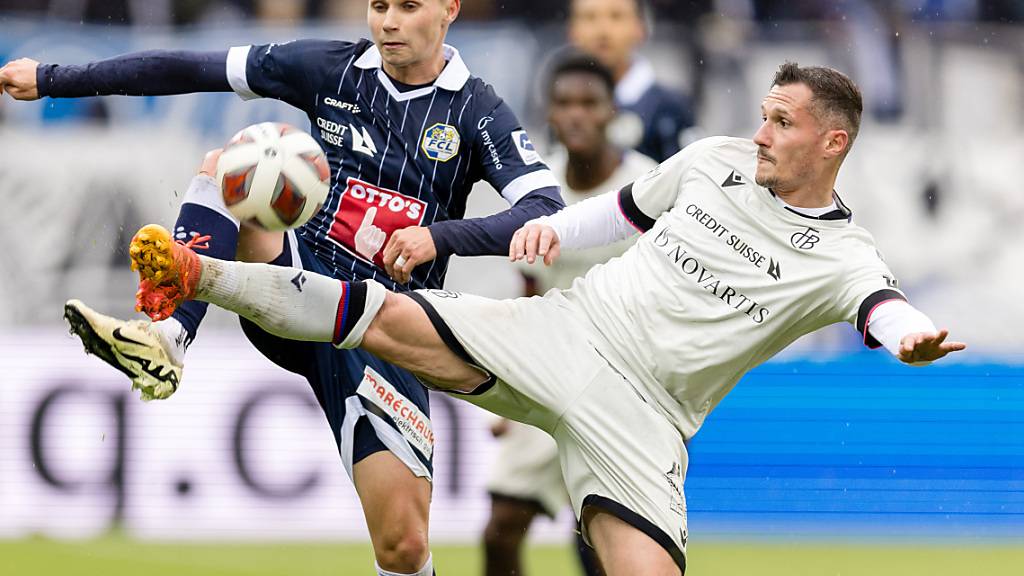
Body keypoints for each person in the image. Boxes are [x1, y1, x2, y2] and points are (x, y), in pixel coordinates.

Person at [86, 63, 967, 575]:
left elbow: (881, 306)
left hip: (647, 419)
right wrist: (545, 227)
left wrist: (910, 338)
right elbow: (623, 212)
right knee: (384, 317)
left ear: (832, 142)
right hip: (570, 333)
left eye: (782, 122)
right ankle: (202, 273)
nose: (762, 131)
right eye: (765, 115)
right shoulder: (715, 162)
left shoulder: (845, 255)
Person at [2, 1, 565, 575]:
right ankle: (169, 336)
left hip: (388, 332)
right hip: (299, 282)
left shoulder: (476, 110)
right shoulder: (331, 70)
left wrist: (438, 239)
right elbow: (190, 68)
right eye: (378, 5)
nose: (389, 22)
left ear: (449, 9)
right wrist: (53, 79)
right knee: (231, 166)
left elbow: (544, 207)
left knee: (404, 548)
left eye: (408, 6)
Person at [481, 53, 655, 576]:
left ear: (610, 112)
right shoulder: (538, 189)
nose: (576, 114)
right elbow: (530, 292)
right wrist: (503, 391)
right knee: (500, 530)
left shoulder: (648, 186)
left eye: (588, 102)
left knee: (606, 548)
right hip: (549, 375)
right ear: (549, 115)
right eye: (564, 103)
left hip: (624, 389)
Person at [568, 0, 696, 162]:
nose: (602, 30)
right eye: (589, 17)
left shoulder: (671, 107)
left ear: (640, 28)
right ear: (572, 30)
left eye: (616, 16)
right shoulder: (561, 103)